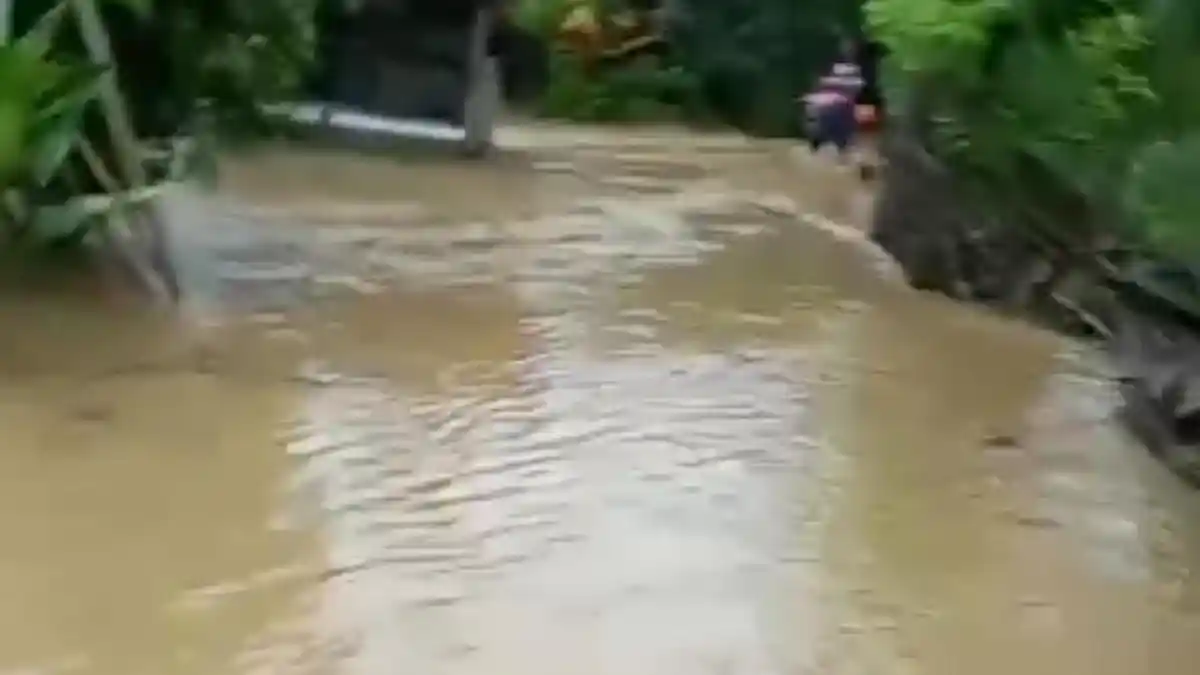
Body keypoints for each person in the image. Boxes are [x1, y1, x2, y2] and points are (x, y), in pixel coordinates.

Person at [801, 39, 864, 160]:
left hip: (840, 103)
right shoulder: (837, 69)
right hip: (833, 102)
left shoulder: (850, 72)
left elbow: (855, 86)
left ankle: (839, 144)